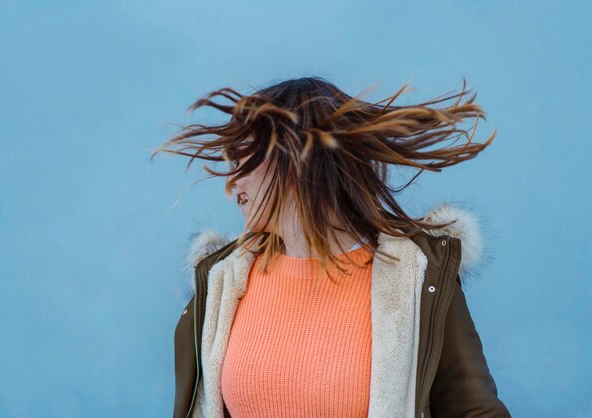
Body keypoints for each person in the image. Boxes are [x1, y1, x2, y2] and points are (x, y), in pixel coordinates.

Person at [153, 76, 511, 417]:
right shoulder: (222, 282)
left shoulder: (419, 277)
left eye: (242, 156)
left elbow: (473, 411)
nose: (232, 181)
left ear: (294, 158)